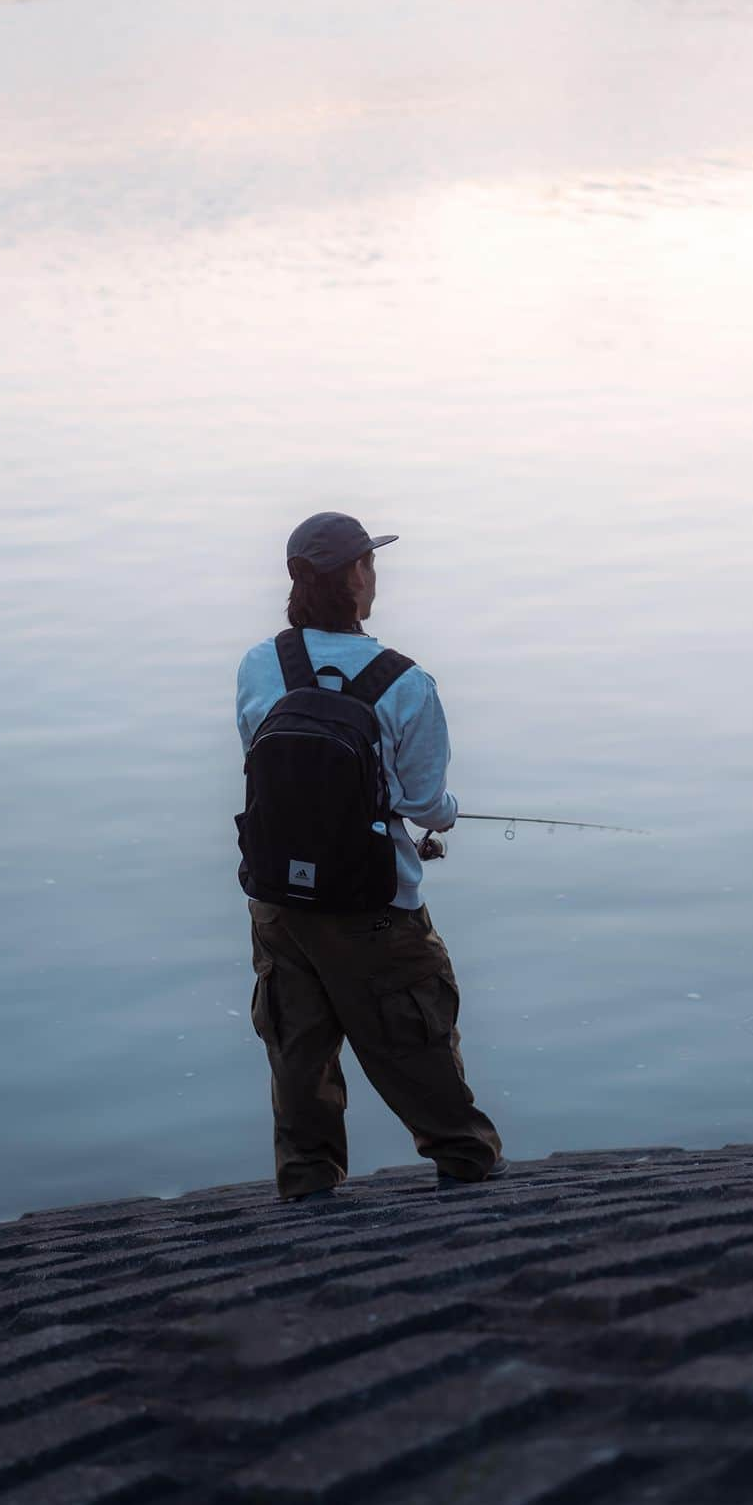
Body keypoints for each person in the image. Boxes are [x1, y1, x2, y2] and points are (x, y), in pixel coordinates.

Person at [236, 511, 505, 1201]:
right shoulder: (407, 684)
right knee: (414, 1038)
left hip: (279, 898)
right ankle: (468, 1165)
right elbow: (424, 803)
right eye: (370, 564)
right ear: (357, 575)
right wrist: (445, 814)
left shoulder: (261, 663)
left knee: (298, 1049)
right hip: (375, 908)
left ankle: (306, 1185)